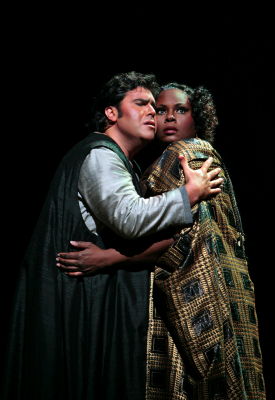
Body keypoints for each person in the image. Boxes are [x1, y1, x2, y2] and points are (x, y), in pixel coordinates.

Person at [1, 72, 222, 400]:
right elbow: (130, 219)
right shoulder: (101, 155)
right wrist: (189, 192)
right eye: (141, 104)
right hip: (77, 307)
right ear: (111, 113)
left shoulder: (122, 161)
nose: (152, 112)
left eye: (154, 106)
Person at [57, 82, 266, 399]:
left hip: (201, 296)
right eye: (160, 110)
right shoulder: (156, 164)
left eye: (180, 110)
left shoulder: (189, 154)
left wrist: (111, 257)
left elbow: (187, 240)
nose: (167, 118)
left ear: (198, 119)